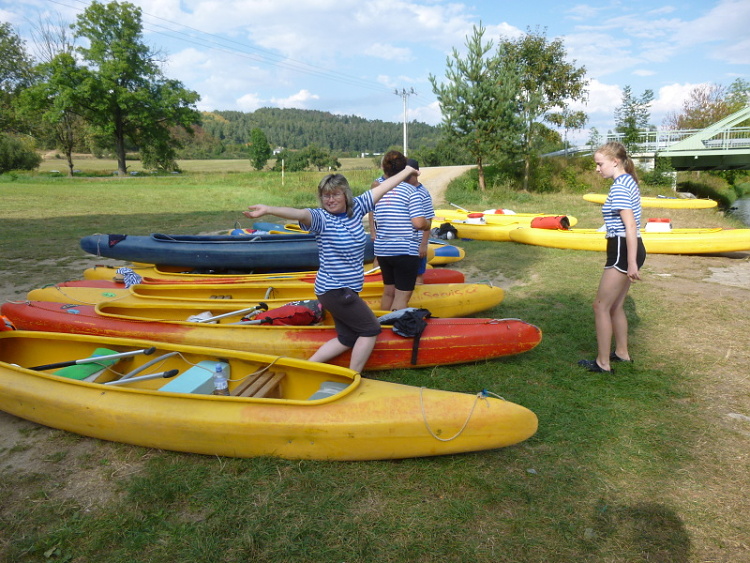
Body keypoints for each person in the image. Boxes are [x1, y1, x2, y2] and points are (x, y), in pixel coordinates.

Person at [243, 165, 418, 374]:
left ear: (345, 195)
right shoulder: (322, 219)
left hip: (344, 289)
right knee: (371, 329)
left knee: (348, 337)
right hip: (335, 290)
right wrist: (268, 209)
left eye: (335, 194)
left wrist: (407, 170)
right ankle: (352, 376)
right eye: (326, 195)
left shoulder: (357, 208)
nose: (330, 200)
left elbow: (384, 187)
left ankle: (307, 368)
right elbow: (300, 213)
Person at [579, 141, 646, 374]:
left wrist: (631, 263)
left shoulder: (619, 187)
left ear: (615, 161)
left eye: (600, 164)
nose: (597, 169)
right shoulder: (629, 182)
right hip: (629, 247)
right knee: (616, 306)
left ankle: (603, 363)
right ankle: (622, 353)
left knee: (600, 306)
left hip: (622, 248)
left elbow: (630, 225)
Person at [370, 151, 430, 311]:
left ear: (384, 168)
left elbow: (373, 214)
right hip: (404, 251)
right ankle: (394, 325)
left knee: (388, 292)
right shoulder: (411, 191)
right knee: (402, 295)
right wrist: (427, 225)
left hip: (383, 250)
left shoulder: (378, 190)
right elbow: (418, 223)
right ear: (405, 169)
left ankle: (382, 322)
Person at [406, 158, 435, 285]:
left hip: (417, 242)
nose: (407, 178)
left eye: (410, 175)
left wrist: (423, 244)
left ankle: (419, 293)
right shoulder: (403, 190)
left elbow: (428, 219)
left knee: (418, 273)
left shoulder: (423, 194)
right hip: (404, 242)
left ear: (417, 173)